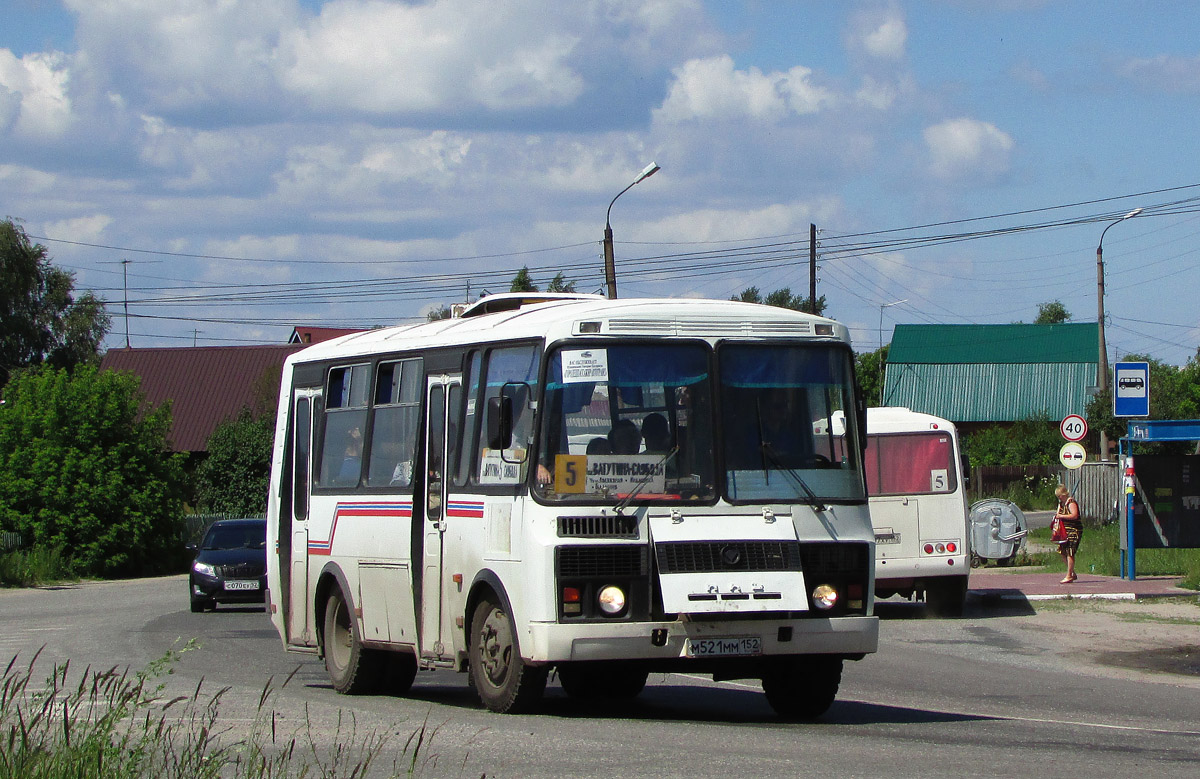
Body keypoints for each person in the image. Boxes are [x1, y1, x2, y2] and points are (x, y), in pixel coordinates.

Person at [1054, 484, 1083, 583]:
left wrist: (1061, 516)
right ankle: (1072, 572)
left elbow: (1074, 515)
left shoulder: (1071, 502)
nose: (1059, 498)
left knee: (1070, 552)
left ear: (1063, 494)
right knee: (1063, 551)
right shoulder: (1062, 504)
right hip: (1064, 530)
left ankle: (1069, 575)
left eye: (1059, 496)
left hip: (1073, 530)